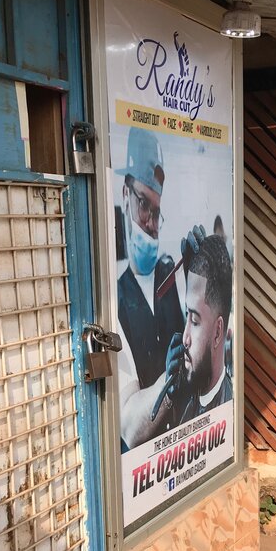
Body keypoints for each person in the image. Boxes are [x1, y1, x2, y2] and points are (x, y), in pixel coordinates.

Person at [115, 127, 186, 449]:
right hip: (144, 461)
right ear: (125, 194)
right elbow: (130, 429)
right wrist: (166, 383)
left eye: (157, 213)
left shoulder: (171, 278)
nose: (151, 224)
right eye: (144, 205)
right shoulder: (114, 297)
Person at [175, 233, 233, 422]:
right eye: (187, 315)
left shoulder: (227, 409)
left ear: (217, 333)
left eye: (195, 321)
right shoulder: (188, 405)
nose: (185, 339)